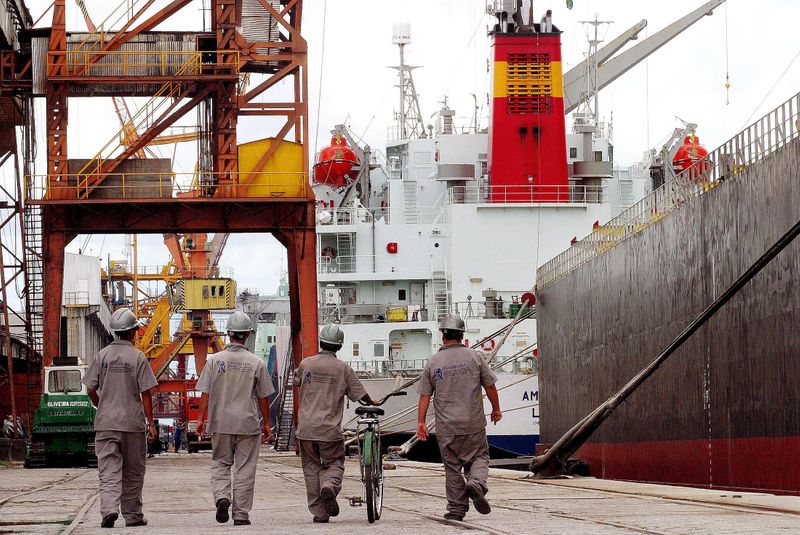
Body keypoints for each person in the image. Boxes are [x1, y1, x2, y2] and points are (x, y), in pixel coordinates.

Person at [415, 313, 502, 521]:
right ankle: (476, 483)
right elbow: (490, 386)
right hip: (473, 424)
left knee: (452, 467)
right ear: (461, 335)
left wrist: (420, 422)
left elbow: (425, 396)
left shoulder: (433, 362)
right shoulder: (475, 357)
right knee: (480, 457)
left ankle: (456, 509)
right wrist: (496, 409)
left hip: (447, 428)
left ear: (443, 335)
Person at [83, 307, 158, 529]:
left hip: (106, 424)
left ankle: (108, 510)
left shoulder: (102, 356)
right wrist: (151, 423)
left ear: (115, 331)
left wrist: (102, 406)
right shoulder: (138, 357)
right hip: (132, 424)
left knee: (108, 469)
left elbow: (89, 389)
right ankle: (133, 516)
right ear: (134, 331)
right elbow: (146, 393)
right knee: (133, 471)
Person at [196, 311, 273, 526]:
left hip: (220, 422)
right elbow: (263, 396)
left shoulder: (214, 361)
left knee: (220, 463)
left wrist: (201, 419)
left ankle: (222, 497)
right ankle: (240, 515)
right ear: (247, 335)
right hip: (247, 424)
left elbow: (205, 393)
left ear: (229, 334)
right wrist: (266, 423)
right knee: (245, 469)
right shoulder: (256, 363)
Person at [294, 324, 376, 523]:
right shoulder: (343, 369)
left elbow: (297, 380)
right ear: (339, 347)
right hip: (329, 430)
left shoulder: (306, 364)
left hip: (305, 430)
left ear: (321, 342)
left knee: (311, 468)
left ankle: (319, 513)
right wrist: (373, 402)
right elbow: (360, 396)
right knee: (335, 463)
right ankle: (329, 485)